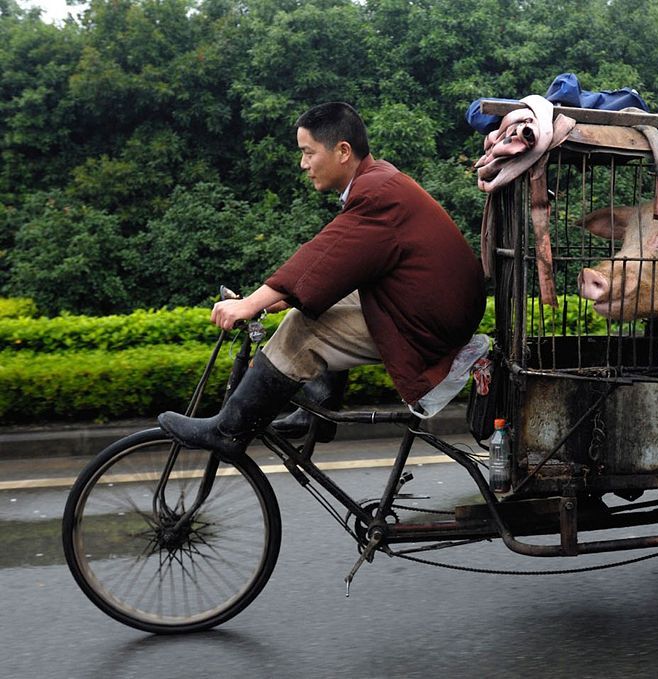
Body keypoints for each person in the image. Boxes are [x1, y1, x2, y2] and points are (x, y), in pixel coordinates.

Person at [159, 102, 485, 460]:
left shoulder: (376, 192)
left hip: (428, 325)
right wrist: (279, 296)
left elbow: (324, 254)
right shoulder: (379, 180)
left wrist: (251, 303)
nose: (303, 164)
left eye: (308, 152)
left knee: (304, 328)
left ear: (342, 151)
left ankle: (229, 431)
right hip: (432, 311)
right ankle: (317, 411)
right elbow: (339, 264)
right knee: (316, 302)